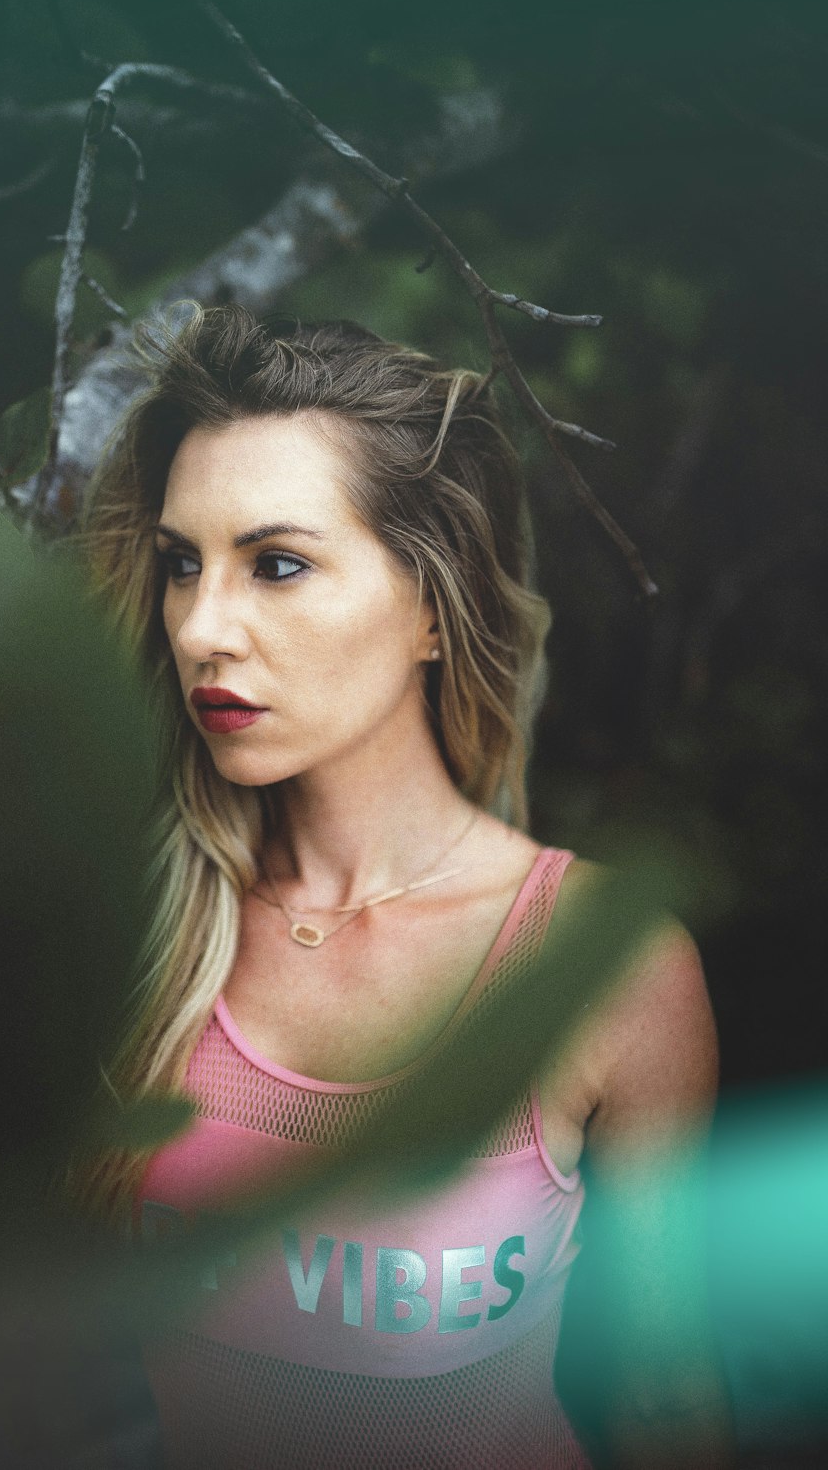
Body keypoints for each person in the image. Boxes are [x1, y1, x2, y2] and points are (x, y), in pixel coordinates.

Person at [75, 302, 731, 1468]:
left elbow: (663, 1399)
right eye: (184, 565)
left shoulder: (599, 964)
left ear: (431, 607)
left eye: (276, 564)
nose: (202, 628)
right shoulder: (134, 931)